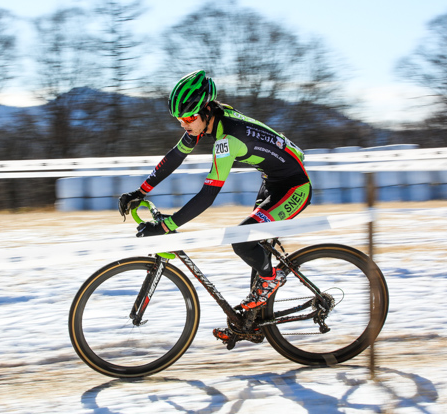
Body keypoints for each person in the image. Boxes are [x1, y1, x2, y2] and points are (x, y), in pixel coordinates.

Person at [118, 70, 312, 341]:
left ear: (204, 111)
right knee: (254, 244)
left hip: (294, 188)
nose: (184, 124)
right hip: (273, 181)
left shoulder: (226, 140)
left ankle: (272, 280)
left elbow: (208, 196)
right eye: (179, 119)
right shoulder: (208, 120)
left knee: (241, 240)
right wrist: (141, 190)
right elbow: (175, 156)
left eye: (188, 118)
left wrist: (167, 225)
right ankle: (251, 324)